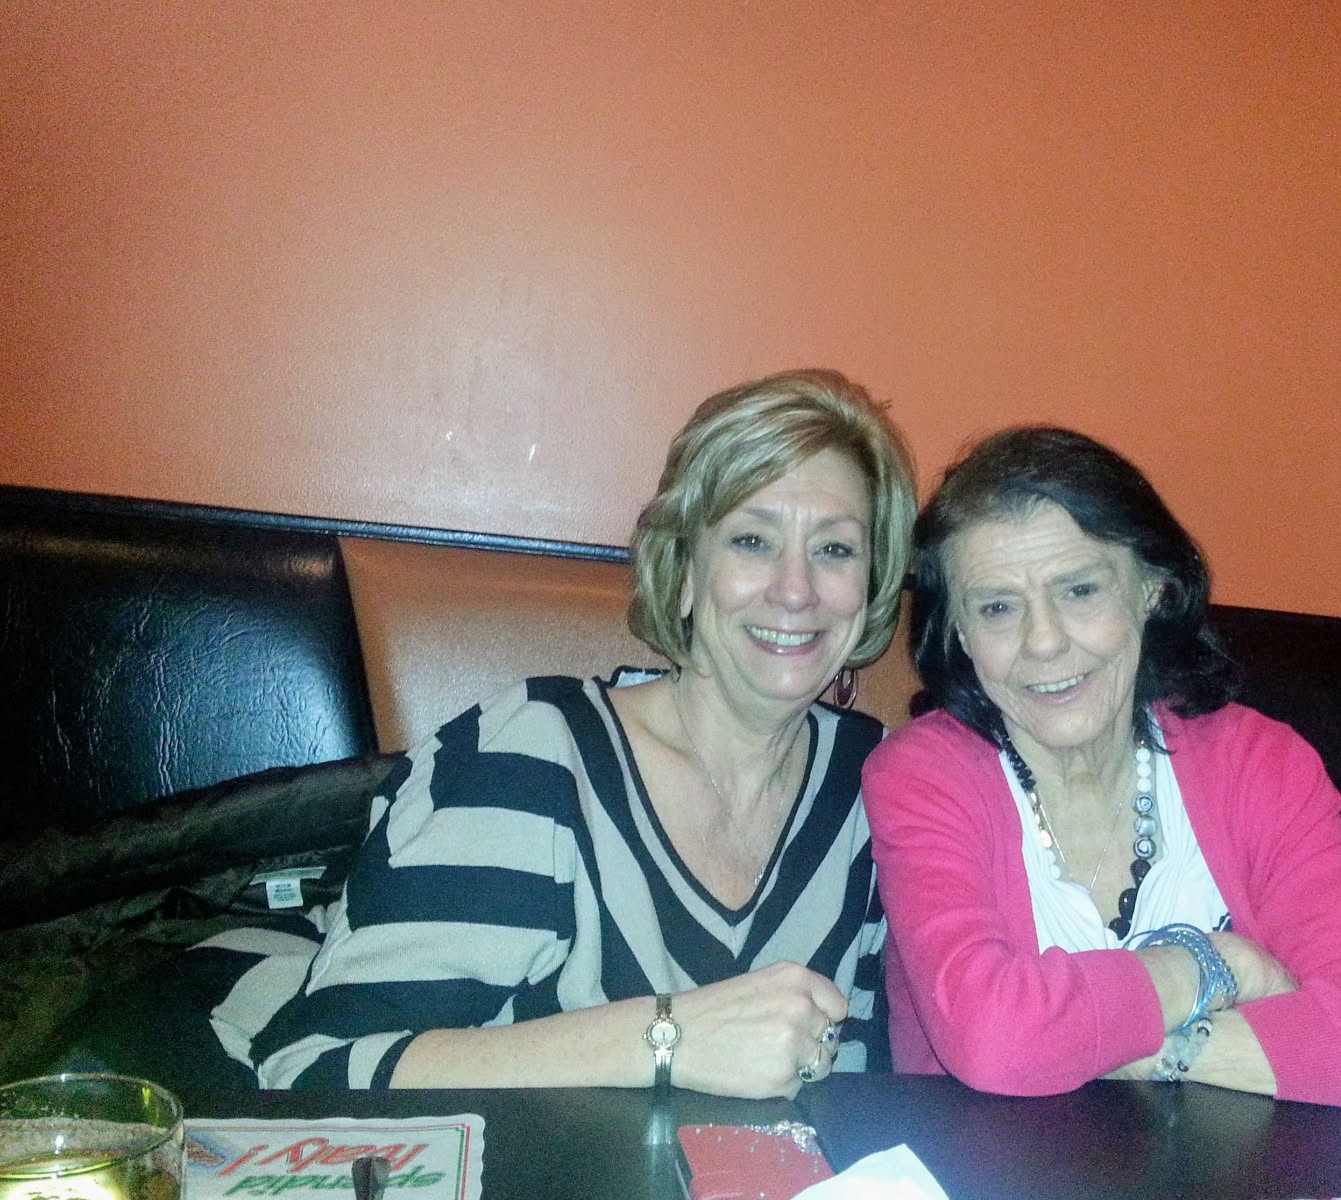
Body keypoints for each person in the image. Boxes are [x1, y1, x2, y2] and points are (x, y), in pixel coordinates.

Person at [233, 369, 916, 1094]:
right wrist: (667, 1038)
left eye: (835, 550)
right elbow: (314, 1073)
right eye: (752, 540)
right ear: (685, 570)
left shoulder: (886, 787)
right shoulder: (531, 760)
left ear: (872, 586)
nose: (796, 589)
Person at [860, 427, 1341, 1113]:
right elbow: (993, 1040)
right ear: (957, 630)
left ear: (1153, 588)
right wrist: (1215, 965)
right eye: (997, 608)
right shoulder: (922, 776)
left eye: (1080, 590)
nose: (1043, 641)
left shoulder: (1260, 764)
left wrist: (1113, 1047)